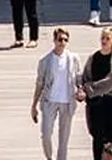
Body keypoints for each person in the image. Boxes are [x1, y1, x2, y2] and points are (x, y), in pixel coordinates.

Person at [29, 28, 81, 160]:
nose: (62, 42)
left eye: (65, 40)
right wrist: (34, 105)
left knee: (64, 138)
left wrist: (80, 90)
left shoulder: (73, 59)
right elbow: (39, 83)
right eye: (59, 39)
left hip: (67, 101)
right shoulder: (45, 61)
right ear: (54, 40)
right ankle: (49, 157)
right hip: (49, 101)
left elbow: (79, 79)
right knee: (46, 134)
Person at [78, 28, 112, 160]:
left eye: (107, 38)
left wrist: (89, 89)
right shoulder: (93, 58)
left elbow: (110, 83)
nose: (104, 41)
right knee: (97, 139)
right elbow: (85, 78)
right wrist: (83, 89)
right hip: (95, 105)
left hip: (110, 104)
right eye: (103, 38)